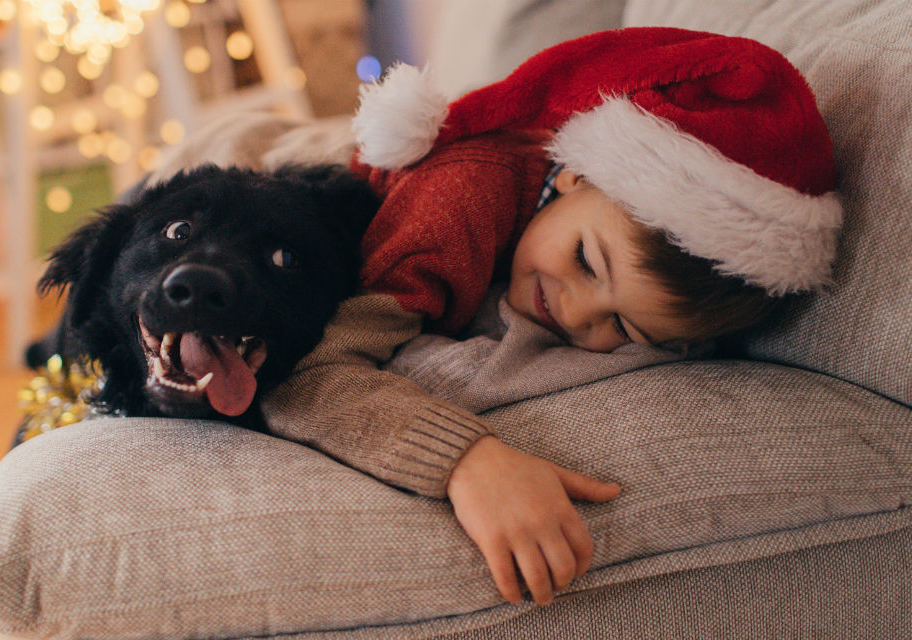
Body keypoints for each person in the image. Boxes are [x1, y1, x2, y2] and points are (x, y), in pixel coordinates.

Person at [261, 27, 842, 606]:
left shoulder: (615, 260)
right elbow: (310, 374)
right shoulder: (457, 206)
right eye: (587, 261)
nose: (576, 312)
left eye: (623, 329)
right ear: (575, 176)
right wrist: (468, 460)